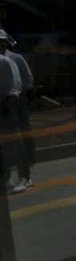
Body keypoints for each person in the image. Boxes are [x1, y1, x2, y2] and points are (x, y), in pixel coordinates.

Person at [0, 31, 34, 192]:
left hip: (15, 103)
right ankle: (5, 179)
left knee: (17, 142)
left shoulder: (14, 59)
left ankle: (25, 177)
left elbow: (26, 81)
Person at [0, 32, 23, 195]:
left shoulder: (7, 61)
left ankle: (7, 179)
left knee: (7, 146)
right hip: (7, 106)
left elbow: (14, 89)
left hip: (6, 107)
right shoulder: (6, 61)